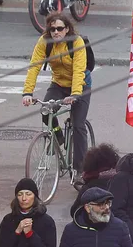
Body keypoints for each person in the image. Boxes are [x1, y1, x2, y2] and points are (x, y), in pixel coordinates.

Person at [21, 13, 90, 170]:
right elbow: (34, 67)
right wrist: (27, 93)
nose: (56, 32)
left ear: (67, 29)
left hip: (81, 86)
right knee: (46, 112)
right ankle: (58, 137)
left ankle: (81, 170)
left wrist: (75, 94)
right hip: (59, 84)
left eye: (59, 28)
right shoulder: (45, 41)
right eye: (52, 29)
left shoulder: (76, 42)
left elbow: (79, 70)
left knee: (78, 125)